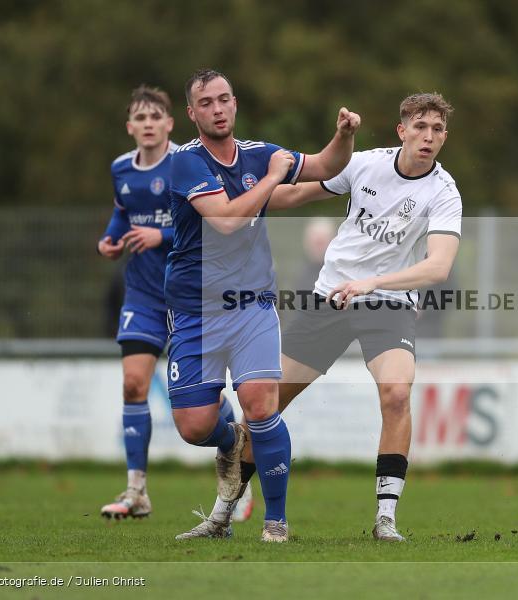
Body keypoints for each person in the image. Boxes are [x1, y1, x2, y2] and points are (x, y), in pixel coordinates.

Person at [243, 92, 462, 541]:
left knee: (397, 394)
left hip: (388, 303)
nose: (428, 136)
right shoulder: (365, 164)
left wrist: (373, 283)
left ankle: (386, 518)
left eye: (437, 129)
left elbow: (438, 267)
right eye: (420, 127)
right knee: (264, 404)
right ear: (402, 131)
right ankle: (225, 508)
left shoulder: (444, 191)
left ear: (444, 137)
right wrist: (237, 203)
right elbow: (297, 193)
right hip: (332, 296)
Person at [166, 69, 360, 542]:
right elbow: (225, 219)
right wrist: (273, 178)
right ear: (191, 113)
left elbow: (324, 165)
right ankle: (231, 440)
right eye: (206, 102)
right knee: (194, 426)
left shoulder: (258, 152)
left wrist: (343, 136)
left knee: (261, 404)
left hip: (252, 303)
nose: (217, 109)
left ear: (235, 103)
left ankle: (276, 522)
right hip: (194, 309)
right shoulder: (186, 162)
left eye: (224, 99)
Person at [96, 85, 178, 520]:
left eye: (155, 116)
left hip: (187, 294)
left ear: (169, 124)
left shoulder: (185, 164)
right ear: (130, 127)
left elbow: (209, 223)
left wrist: (160, 235)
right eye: (140, 118)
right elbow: (122, 214)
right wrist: (109, 240)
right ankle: (136, 491)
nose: (148, 124)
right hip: (143, 294)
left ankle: (233, 467)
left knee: (199, 408)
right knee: (132, 385)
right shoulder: (121, 168)